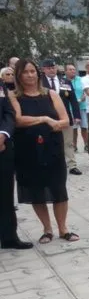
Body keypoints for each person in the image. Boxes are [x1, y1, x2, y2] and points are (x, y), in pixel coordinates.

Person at [7, 59, 79, 244]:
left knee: (58, 188)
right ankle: (47, 229)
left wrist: (55, 122)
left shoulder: (51, 94)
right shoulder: (13, 96)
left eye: (33, 71)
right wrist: (45, 119)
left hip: (52, 146)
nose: (30, 75)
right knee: (35, 189)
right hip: (27, 149)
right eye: (25, 72)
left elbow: (64, 120)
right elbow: (18, 120)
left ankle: (63, 228)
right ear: (18, 75)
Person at [0, 80, 33, 250]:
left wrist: (3, 134)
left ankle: (8, 237)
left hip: (2, 146)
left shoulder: (0, 86)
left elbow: (8, 113)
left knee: (5, 193)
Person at [41, 60, 82, 176]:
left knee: (68, 142)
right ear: (43, 69)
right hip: (47, 117)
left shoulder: (65, 81)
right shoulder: (39, 83)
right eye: (48, 68)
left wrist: (77, 116)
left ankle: (72, 165)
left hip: (65, 117)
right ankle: (50, 164)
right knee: (48, 141)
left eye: (53, 67)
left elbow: (73, 100)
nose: (51, 70)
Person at [65, 64, 86, 154]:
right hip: (70, 107)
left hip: (82, 106)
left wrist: (81, 98)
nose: (72, 71)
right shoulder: (63, 81)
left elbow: (85, 91)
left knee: (84, 127)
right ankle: (74, 146)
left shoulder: (80, 79)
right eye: (70, 69)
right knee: (73, 128)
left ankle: (87, 145)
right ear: (65, 71)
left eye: (73, 69)